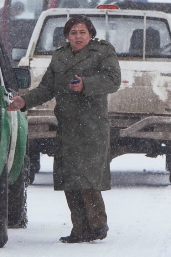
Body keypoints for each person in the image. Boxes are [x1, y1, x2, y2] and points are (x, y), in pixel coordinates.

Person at [6, 15, 121, 243]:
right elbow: (47, 88)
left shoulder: (103, 52)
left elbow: (113, 80)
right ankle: (79, 229)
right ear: (67, 36)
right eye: (73, 33)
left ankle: (97, 225)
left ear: (91, 34)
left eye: (82, 32)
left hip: (91, 125)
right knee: (69, 177)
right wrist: (25, 101)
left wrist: (86, 84)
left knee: (87, 176)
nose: (78, 37)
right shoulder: (60, 56)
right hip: (67, 125)